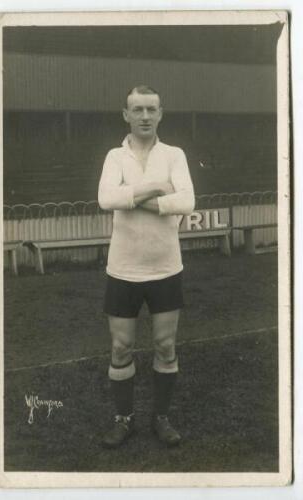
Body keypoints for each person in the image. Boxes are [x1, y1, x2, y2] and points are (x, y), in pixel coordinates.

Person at [98, 85, 195, 448]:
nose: (144, 116)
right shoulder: (113, 156)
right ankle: (123, 419)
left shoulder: (175, 154)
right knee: (121, 348)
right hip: (122, 270)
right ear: (125, 114)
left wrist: (133, 198)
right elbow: (106, 198)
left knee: (165, 345)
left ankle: (161, 417)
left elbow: (187, 200)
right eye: (136, 110)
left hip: (166, 268)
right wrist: (155, 186)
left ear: (160, 113)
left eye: (150, 109)